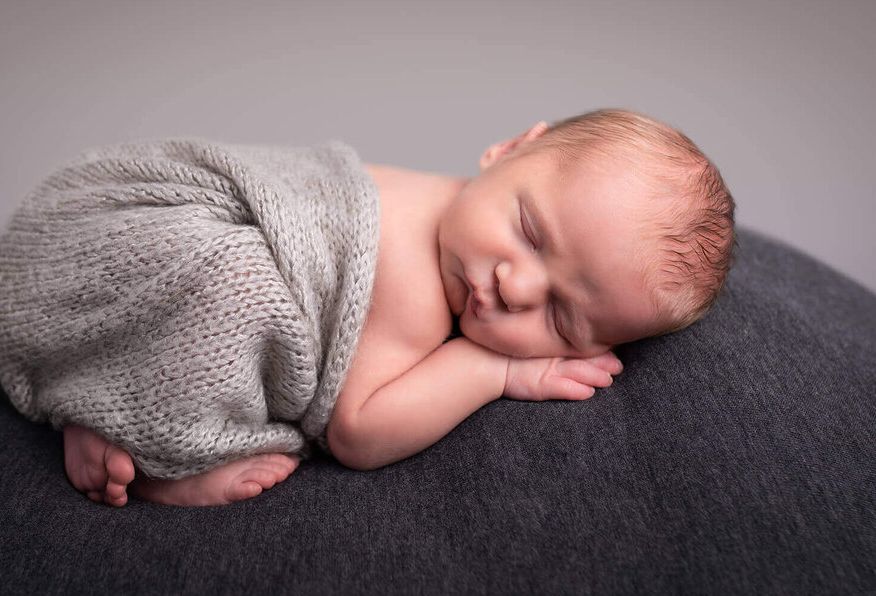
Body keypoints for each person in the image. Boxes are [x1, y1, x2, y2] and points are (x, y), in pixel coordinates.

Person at [49, 109, 735, 507]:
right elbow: (357, 428)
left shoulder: (437, 195)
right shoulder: (413, 285)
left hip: (81, 240)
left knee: (208, 290)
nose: (517, 286)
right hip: (160, 233)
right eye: (529, 231)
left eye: (558, 317)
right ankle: (159, 464)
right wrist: (490, 371)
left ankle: (94, 395)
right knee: (233, 287)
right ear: (511, 148)